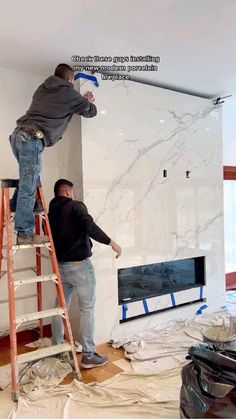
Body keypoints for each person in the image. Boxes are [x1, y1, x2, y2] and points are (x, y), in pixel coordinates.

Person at [9, 63, 97, 245]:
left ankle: (15, 205)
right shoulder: (69, 93)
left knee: (32, 178)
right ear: (70, 80)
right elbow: (90, 112)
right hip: (31, 140)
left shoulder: (43, 89)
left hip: (18, 137)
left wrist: (77, 100)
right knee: (29, 185)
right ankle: (25, 233)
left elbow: (61, 105)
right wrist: (87, 101)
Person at [49, 179, 122, 369]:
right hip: (80, 267)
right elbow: (90, 227)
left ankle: (57, 349)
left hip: (61, 267)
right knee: (87, 310)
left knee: (59, 308)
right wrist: (111, 242)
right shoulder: (76, 207)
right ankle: (89, 355)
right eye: (71, 192)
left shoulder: (51, 212)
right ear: (67, 192)